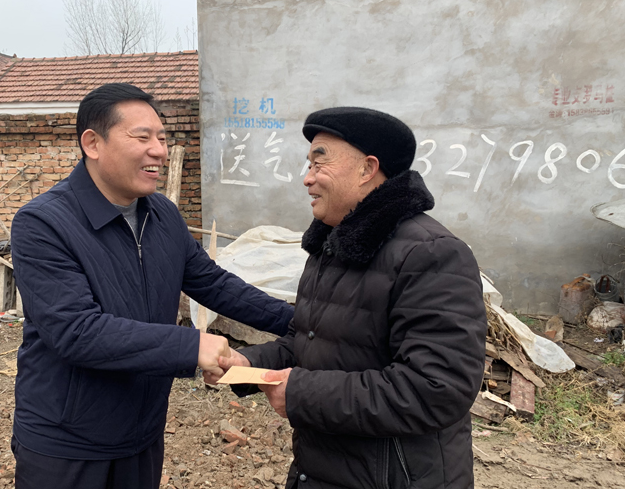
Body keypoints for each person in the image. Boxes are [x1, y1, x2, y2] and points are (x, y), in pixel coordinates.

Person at [10, 83, 293, 489]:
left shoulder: (162, 214)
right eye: (142, 137)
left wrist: (302, 321)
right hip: (67, 441)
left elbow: (214, 284)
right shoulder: (44, 223)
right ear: (92, 143)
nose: (159, 150)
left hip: (142, 431)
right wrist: (191, 346)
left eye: (162, 138)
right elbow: (76, 331)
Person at [207, 107, 487, 489]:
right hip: (324, 469)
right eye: (308, 164)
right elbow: (310, 342)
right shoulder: (332, 247)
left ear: (367, 169)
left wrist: (302, 394)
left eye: (319, 163)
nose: (307, 178)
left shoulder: (430, 254)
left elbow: (435, 389)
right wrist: (249, 363)